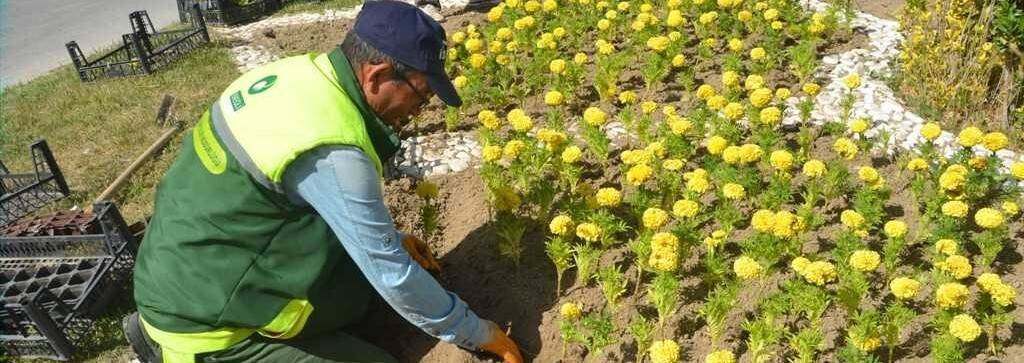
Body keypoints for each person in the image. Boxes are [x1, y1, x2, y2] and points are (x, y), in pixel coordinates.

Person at [122, 1, 523, 362]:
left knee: (360, 297)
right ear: (378, 76)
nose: (419, 111)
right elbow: (390, 274)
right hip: (205, 323)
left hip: (192, 263)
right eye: (420, 95)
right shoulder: (333, 147)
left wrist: (394, 237)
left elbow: (308, 193)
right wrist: (476, 332)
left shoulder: (297, 77)